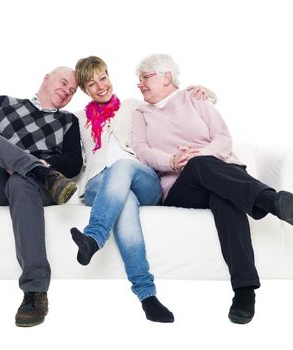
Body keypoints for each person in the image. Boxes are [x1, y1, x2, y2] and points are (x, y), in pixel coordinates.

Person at [131, 54, 293, 325]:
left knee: (225, 197)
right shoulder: (141, 113)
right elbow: (142, 151)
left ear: (167, 77)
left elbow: (223, 138)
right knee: (199, 167)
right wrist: (172, 161)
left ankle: (244, 292)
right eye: (138, 79)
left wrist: (203, 154)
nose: (139, 84)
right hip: (181, 186)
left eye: (145, 77)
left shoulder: (195, 98)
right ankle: (269, 200)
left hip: (222, 173)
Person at [69, 56, 216, 323]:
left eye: (103, 78)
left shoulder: (134, 107)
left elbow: (173, 105)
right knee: (124, 200)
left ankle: (94, 237)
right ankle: (147, 295)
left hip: (141, 177)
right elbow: (51, 127)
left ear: (109, 76)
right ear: (84, 90)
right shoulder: (78, 120)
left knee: (123, 165)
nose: (100, 86)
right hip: (98, 185)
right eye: (91, 84)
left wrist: (204, 92)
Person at [0, 66, 83, 327]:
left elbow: (73, 163)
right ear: (46, 78)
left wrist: (39, 163)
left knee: (20, 180)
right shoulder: (4, 104)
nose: (66, 91)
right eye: (63, 83)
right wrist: (24, 162)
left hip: (32, 188)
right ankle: (35, 170)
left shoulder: (69, 121)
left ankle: (35, 292)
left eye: (72, 91)